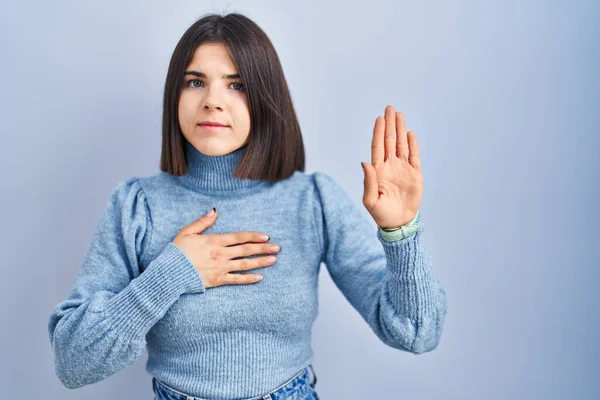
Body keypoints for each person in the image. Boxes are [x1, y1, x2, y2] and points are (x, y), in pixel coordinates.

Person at [47, 12, 447, 400]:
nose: (212, 102)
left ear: (265, 97)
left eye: (236, 85)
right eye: (195, 81)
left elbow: (416, 333)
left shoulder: (313, 201)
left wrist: (401, 233)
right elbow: (74, 363)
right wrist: (171, 273)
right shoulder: (137, 205)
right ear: (176, 93)